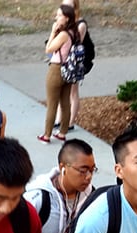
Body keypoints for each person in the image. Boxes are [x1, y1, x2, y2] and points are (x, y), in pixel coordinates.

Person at [37, 4, 78, 144]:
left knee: (52, 103)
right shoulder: (74, 32)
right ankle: (62, 132)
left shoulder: (63, 35)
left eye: (59, 15)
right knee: (65, 102)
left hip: (56, 69)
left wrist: (53, 31)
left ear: (66, 18)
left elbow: (49, 49)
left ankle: (47, 135)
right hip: (68, 70)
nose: (56, 17)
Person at [54, 0, 87, 132]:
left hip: (74, 61)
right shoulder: (63, 23)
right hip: (62, 59)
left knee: (73, 91)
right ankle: (58, 119)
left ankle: (70, 121)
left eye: (69, 6)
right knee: (61, 91)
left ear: (75, 7)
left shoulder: (80, 24)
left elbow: (76, 42)